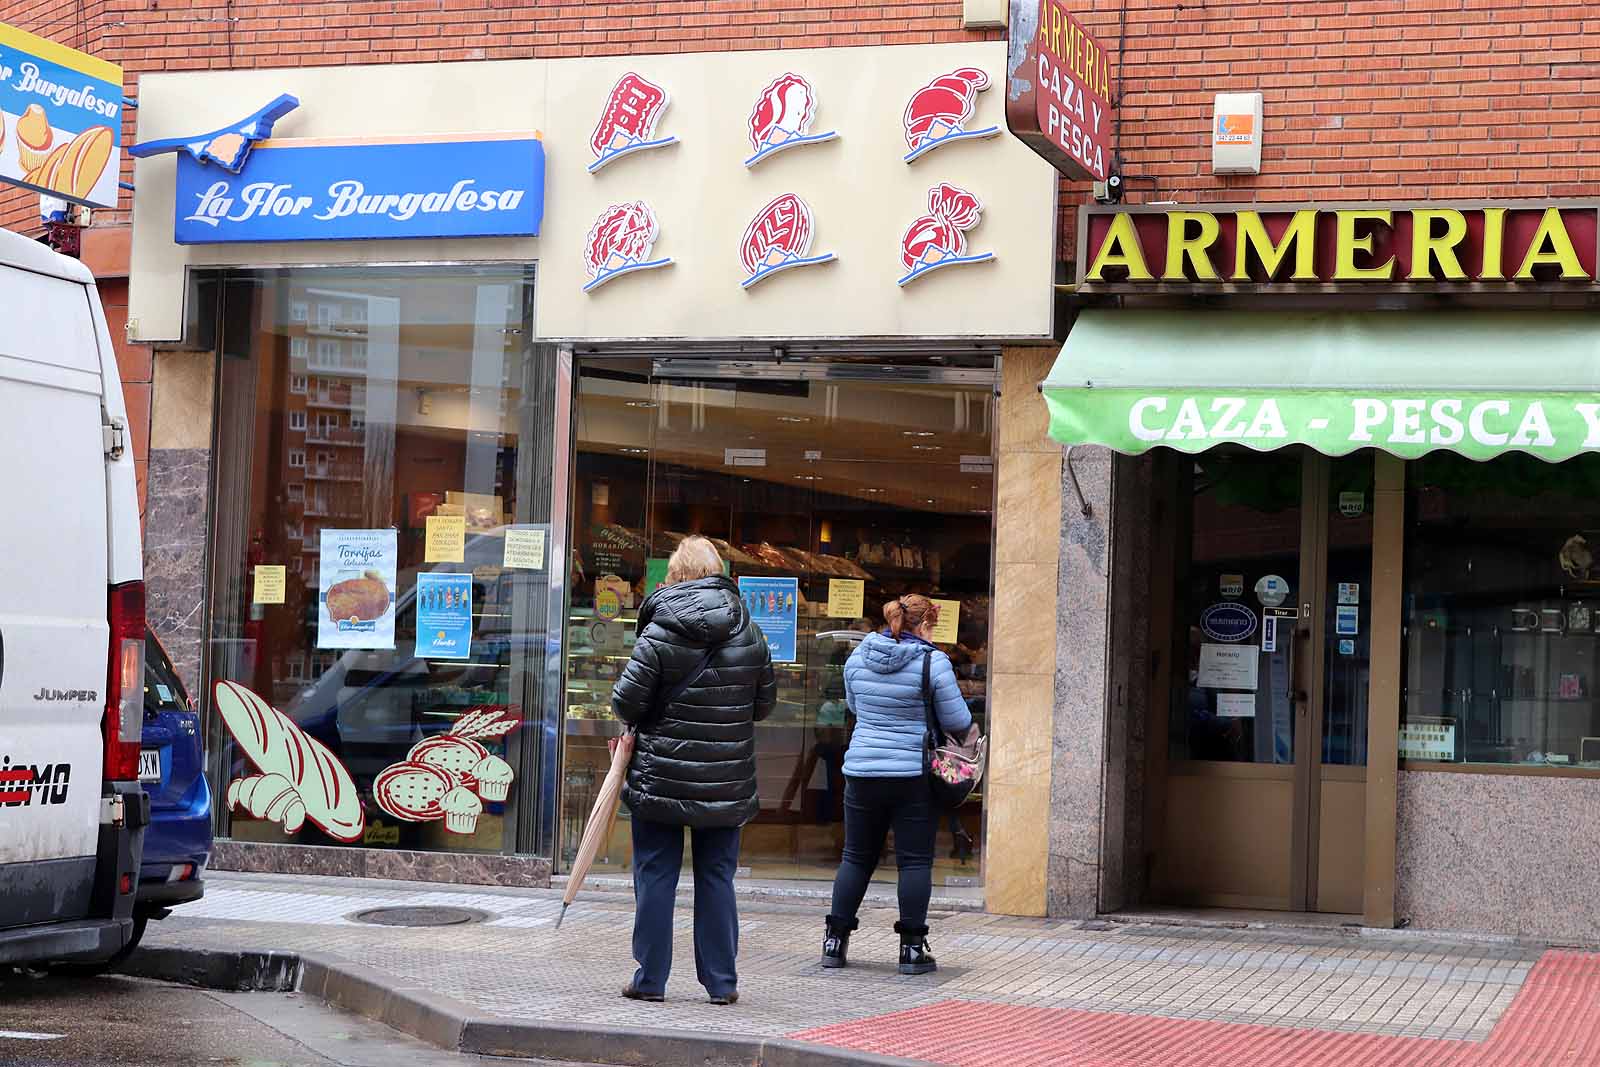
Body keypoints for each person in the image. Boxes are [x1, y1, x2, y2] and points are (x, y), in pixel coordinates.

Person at [611, 536, 776, 1005]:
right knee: (717, 877)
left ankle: (650, 980)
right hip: (726, 778)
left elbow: (627, 701)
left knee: (656, 874)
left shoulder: (659, 630)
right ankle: (722, 983)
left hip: (660, 775)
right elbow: (764, 705)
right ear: (718, 570)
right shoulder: (751, 630)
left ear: (675, 574)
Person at [823, 595, 972, 975]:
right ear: (924, 626)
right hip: (912, 776)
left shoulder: (857, 657)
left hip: (861, 772)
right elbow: (958, 720)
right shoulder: (932, 662)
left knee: (856, 857)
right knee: (914, 861)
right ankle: (911, 949)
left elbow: (856, 708)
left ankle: (834, 942)